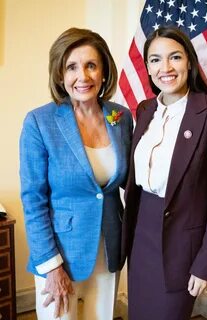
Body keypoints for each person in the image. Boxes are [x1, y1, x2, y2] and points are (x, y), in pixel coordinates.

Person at [121, 26, 207, 320]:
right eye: (156, 60)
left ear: (189, 61)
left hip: (181, 249)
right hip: (140, 237)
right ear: (147, 66)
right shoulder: (145, 109)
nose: (166, 68)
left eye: (175, 57)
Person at [19, 27, 133, 320]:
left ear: (104, 72)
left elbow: (132, 183)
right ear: (60, 74)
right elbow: (33, 200)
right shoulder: (39, 122)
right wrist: (52, 266)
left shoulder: (120, 118)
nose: (83, 76)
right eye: (72, 67)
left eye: (91, 65)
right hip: (61, 255)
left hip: (108, 249)